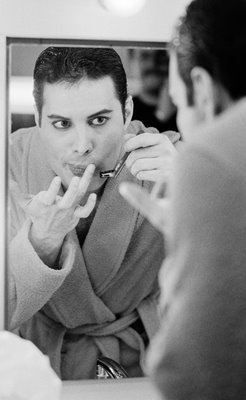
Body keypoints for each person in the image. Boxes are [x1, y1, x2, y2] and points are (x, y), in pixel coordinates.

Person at [119, 0, 246, 398]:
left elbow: (186, 375)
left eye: (180, 103)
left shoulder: (212, 157)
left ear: (201, 87)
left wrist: (181, 255)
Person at [8, 46, 180, 380]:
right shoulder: (8, 165)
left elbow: (235, 287)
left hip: (143, 367)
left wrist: (192, 194)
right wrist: (42, 241)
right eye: (61, 124)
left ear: (127, 111)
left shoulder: (173, 161)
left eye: (99, 120)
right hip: (36, 369)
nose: (83, 144)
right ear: (38, 116)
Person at [131, 49, 178, 132]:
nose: (151, 64)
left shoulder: (184, 110)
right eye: (144, 56)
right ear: (133, 62)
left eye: (161, 57)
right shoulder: (126, 110)